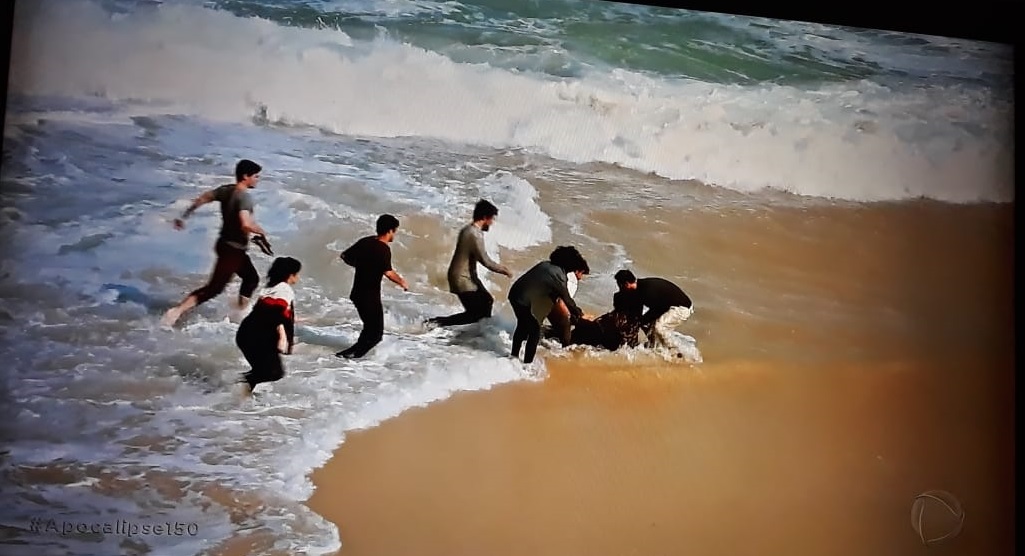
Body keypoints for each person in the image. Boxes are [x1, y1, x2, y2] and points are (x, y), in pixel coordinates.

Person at [162, 159, 270, 327]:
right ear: (245, 176)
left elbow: (202, 198)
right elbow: (245, 224)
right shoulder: (244, 198)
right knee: (214, 288)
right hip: (232, 250)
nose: (258, 179)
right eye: (256, 176)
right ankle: (176, 312)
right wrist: (261, 231)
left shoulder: (226, 190)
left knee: (251, 278)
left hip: (228, 246)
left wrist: (184, 216)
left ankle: (240, 314)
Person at [426, 200, 512, 327]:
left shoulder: (468, 230)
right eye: (491, 219)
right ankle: (435, 323)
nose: (491, 223)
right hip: (463, 279)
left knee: (486, 302)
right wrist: (504, 270)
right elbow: (485, 260)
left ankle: (479, 333)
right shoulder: (474, 234)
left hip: (465, 277)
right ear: (484, 217)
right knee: (476, 313)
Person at [336, 214, 409, 359]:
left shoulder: (366, 241)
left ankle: (349, 356)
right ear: (389, 231)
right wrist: (402, 282)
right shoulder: (383, 249)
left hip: (357, 294)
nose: (395, 234)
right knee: (376, 334)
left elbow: (345, 256)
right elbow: (388, 273)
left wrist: (361, 266)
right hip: (369, 296)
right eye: (395, 231)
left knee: (369, 330)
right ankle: (351, 357)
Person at [508, 246, 589, 364]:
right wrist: (579, 314)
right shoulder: (559, 275)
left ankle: (514, 356)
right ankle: (526, 365)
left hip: (515, 295)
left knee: (522, 326)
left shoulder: (544, 264)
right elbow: (566, 298)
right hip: (524, 300)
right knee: (534, 331)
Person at [236, 256, 301, 395]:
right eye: (297, 273)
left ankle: (240, 398)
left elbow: (269, 311)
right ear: (291, 275)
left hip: (246, 334)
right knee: (274, 372)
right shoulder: (284, 289)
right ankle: (235, 385)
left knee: (261, 371)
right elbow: (274, 313)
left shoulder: (271, 287)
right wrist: (282, 336)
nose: (298, 277)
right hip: (257, 336)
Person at [613, 270, 693, 351]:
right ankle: (655, 347)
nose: (620, 289)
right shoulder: (639, 289)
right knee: (648, 324)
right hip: (667, 306)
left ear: (626, 284)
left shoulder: (648, 291)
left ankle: (676, 351)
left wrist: (642, 321)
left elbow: (660, 308)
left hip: (681, 308)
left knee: (659, 327)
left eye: (620, 286)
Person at [569, 287, 643, 351]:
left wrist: (579, 320)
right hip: (623, 346)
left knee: (582, 327)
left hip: (607, 344)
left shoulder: (615, 317)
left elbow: (599, 327)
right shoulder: (634, 319)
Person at [543, 247, 589, 346]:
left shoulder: (553, 268)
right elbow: (564, 299)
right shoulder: (572, 279)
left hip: (542, 299)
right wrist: (578, 315)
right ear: (578, 271)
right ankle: (565, 349)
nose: (582, 277)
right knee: (567, 324)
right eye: (582, 274)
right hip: (553, 302)